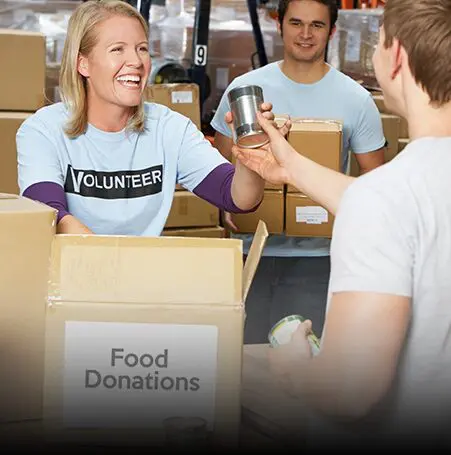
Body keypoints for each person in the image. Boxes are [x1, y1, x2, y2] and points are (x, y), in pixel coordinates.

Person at [232, 0, 451, 450]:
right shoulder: (409, 188)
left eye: (378, 43)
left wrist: (291, 362)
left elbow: (349, 392)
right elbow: (387, 207)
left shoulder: (387, 196)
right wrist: (289, 165)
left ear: (398, 58)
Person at [210, 0, 386, 343]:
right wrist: (224, 207)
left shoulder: (356, 99)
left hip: (317, 260)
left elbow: (377, 182)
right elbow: (218, 165)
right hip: (250, 252)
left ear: (332, 31)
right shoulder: (244, 90)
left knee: (304, 374)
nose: (305, 34)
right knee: (241, 369)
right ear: (280, 25)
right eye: (296, 23)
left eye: (317, 25)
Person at [16, 0, 270, 235]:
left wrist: (252, 150)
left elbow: (237, 198)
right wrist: (114, 267)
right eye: (117, 49)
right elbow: (49, 214)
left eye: (142, 49)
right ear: (83, 64)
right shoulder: (43, 130)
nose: (136, 61)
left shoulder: (170, 128)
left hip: (140, 276)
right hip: (69, 276)